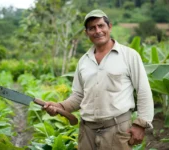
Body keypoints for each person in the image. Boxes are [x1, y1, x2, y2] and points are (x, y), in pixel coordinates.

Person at [43, 9, 154, 150]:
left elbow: (143, 91)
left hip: (117, 130)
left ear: (110, 27)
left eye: (101, 25)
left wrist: (141, 124)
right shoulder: (83, 61)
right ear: (86, 32)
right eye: (92, 28)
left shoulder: (129, 56)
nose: (97, 31)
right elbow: (79, 95)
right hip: (87, 131)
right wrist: (60, 107)